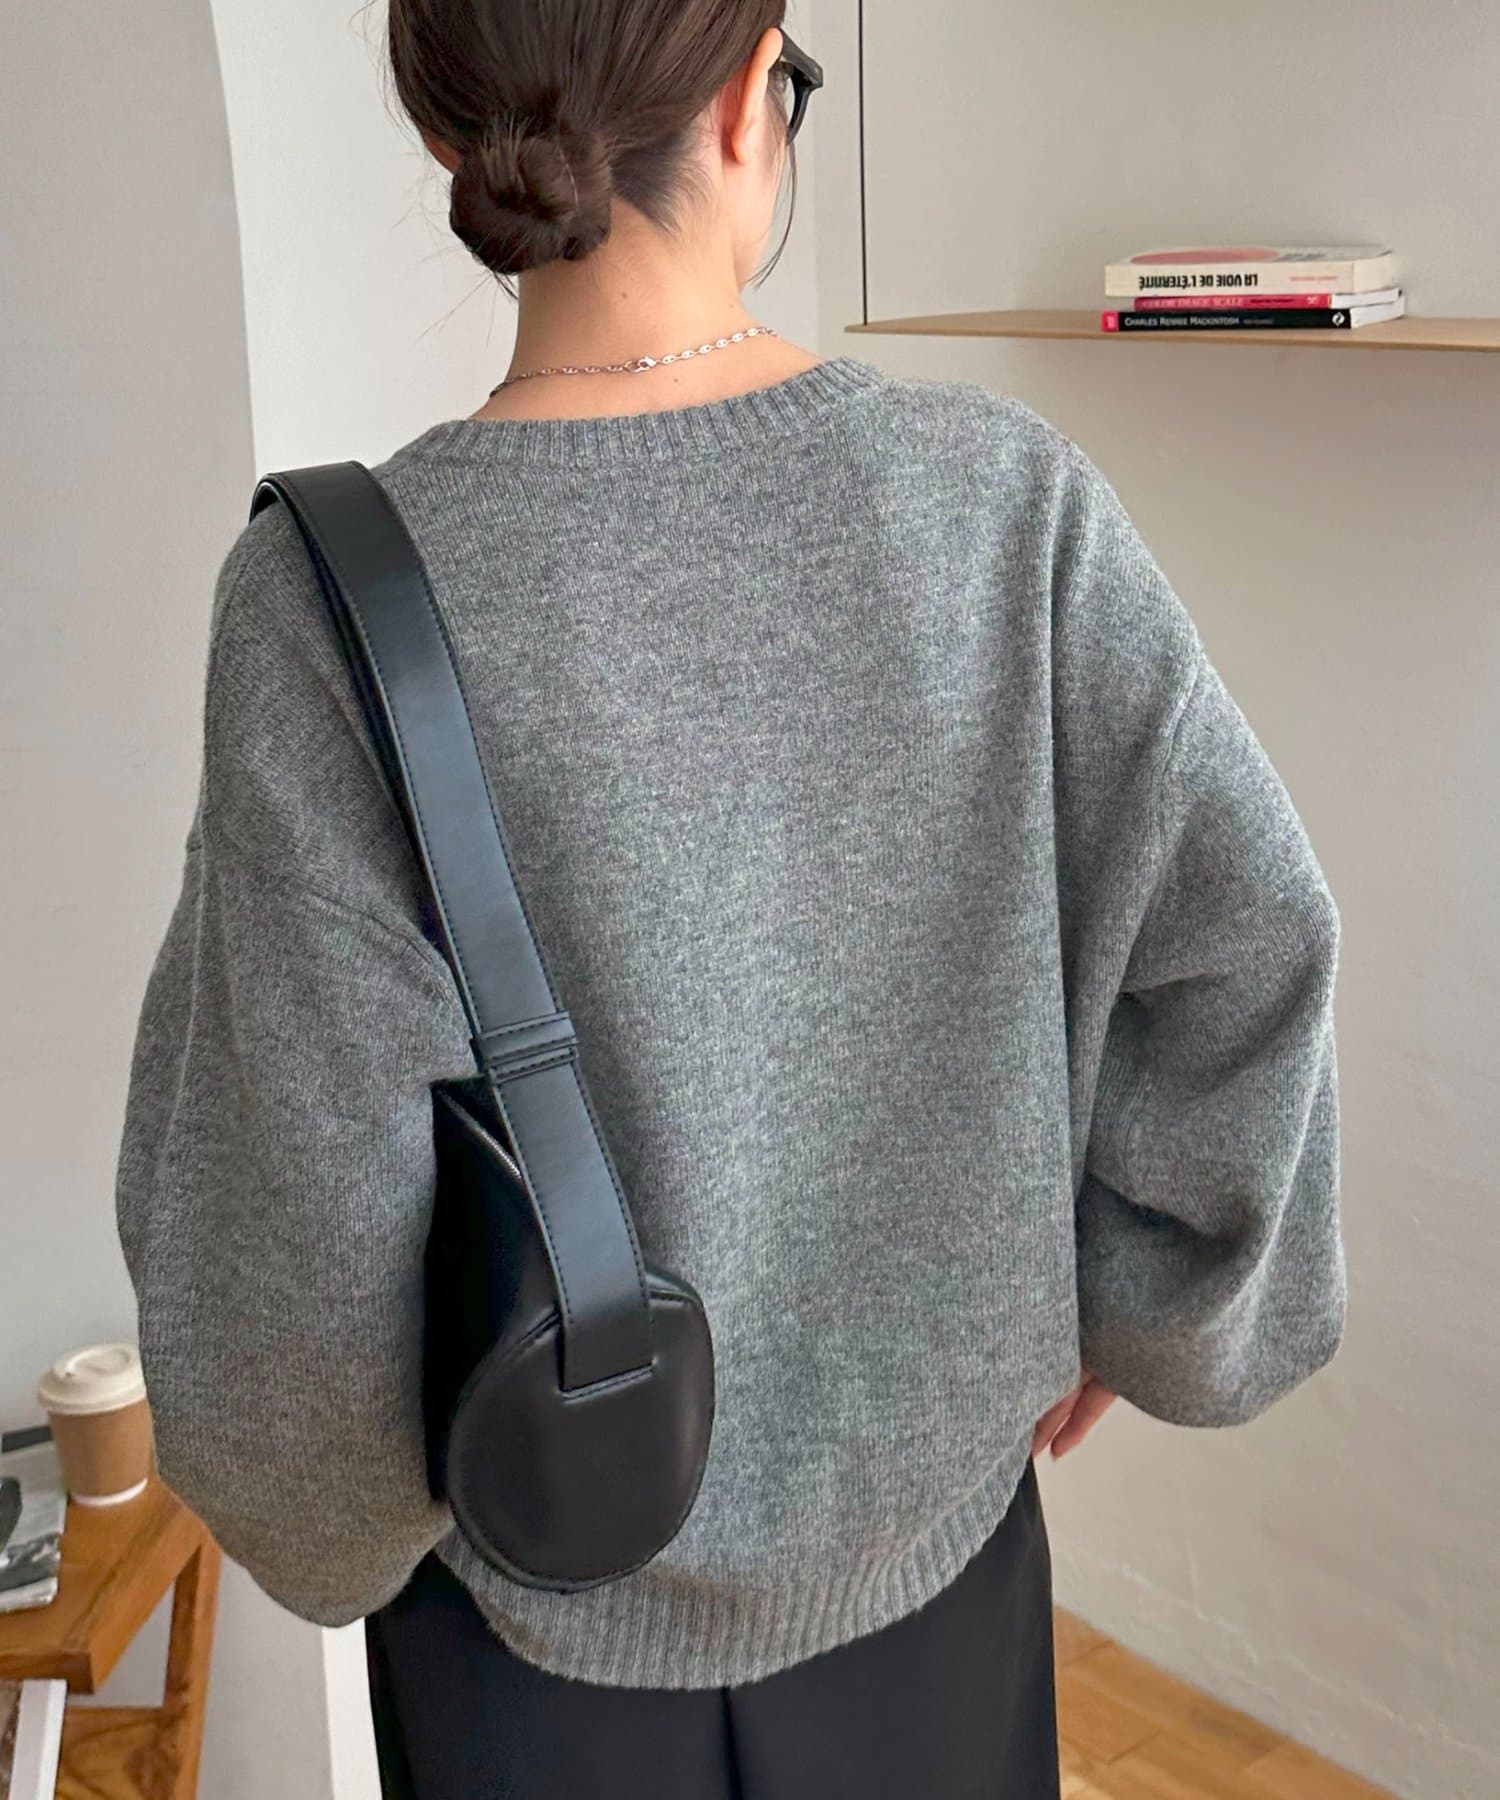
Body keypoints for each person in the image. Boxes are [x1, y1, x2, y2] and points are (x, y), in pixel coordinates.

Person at [112, 2, 1348, 1795]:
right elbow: (1252, 946)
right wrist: (1135, 1295)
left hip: (529, 1624)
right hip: (941, 1579)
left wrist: (340, 1522)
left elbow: (287, 1188)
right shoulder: (1005, 508)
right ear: (751, 98)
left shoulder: (324, 604)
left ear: (450, 136)